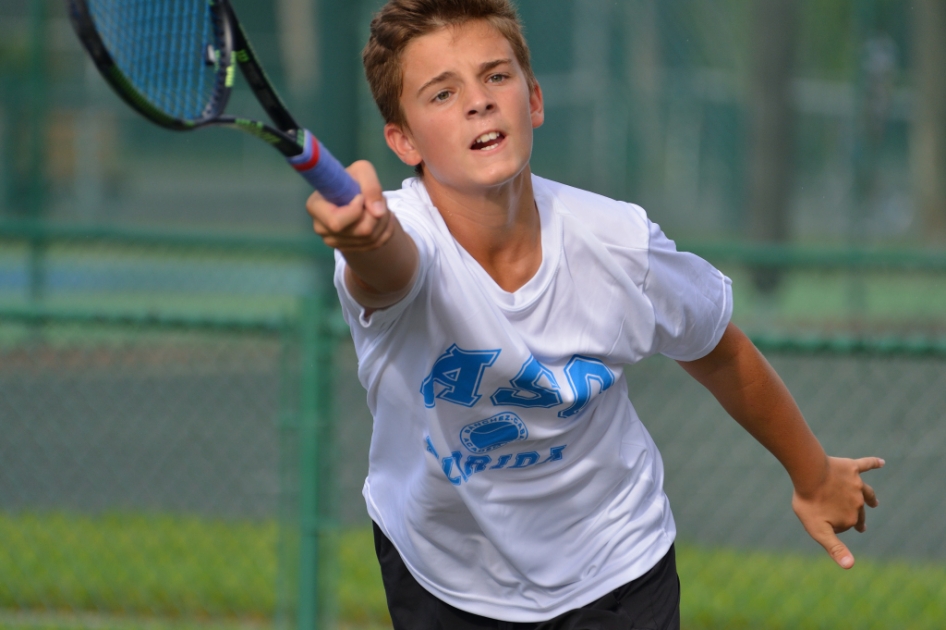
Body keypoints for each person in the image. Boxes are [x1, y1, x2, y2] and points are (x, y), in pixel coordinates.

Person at [304, 1, 884, 628]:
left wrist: (812, 471)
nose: (479, 101)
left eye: (496, 76)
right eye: (442, 94)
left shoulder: (618, 243)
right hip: (443, 574)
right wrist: (361, 238)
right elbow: (389, 268)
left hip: (618, 565)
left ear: (535, 100)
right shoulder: (401, 237)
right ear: (404, 141)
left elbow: (718, 348)